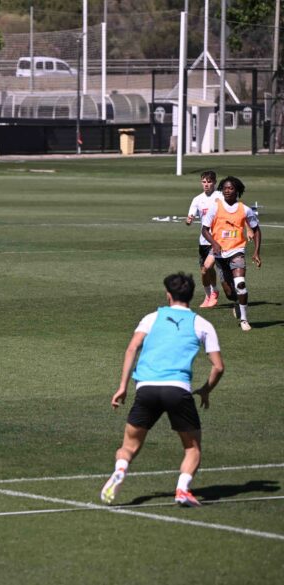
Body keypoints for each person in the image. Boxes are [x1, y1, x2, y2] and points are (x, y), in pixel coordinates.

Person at [100, 273, 224, 508]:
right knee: (192, 448)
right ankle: (182, 489)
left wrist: (122, 387)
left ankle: (121, 469)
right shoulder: (202, 324)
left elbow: (131, 349)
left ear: (168, 295)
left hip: (146, 389)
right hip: (177, 390)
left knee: (128, 447)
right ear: (191, 295)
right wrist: (206, 389)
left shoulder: (152, 318)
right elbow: (218, 367)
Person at [200, 176, 262, 331]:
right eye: (225, 188)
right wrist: (214, 244)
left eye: (231, 188)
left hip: (237, 251)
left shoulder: (244, 209)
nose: (227, 191)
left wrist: (256, 252)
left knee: (240, 284)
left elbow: (256, 229)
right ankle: (236, 303)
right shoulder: (215, 208)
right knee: (229, 292)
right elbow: (204, 229)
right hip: (220, 254)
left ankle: (244, 319)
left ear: (237, 191)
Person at [185, 170, 223, 308]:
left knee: (208, 267)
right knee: (204, 271)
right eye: (204, 182)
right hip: (203, 241)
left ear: (214, 182)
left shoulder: (221, 196)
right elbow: (190, 217)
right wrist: (189, 220)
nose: (206, 184)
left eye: (209, 182)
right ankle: (209, 295)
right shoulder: (197, 199)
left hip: (217, 240)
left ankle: (214, 293)